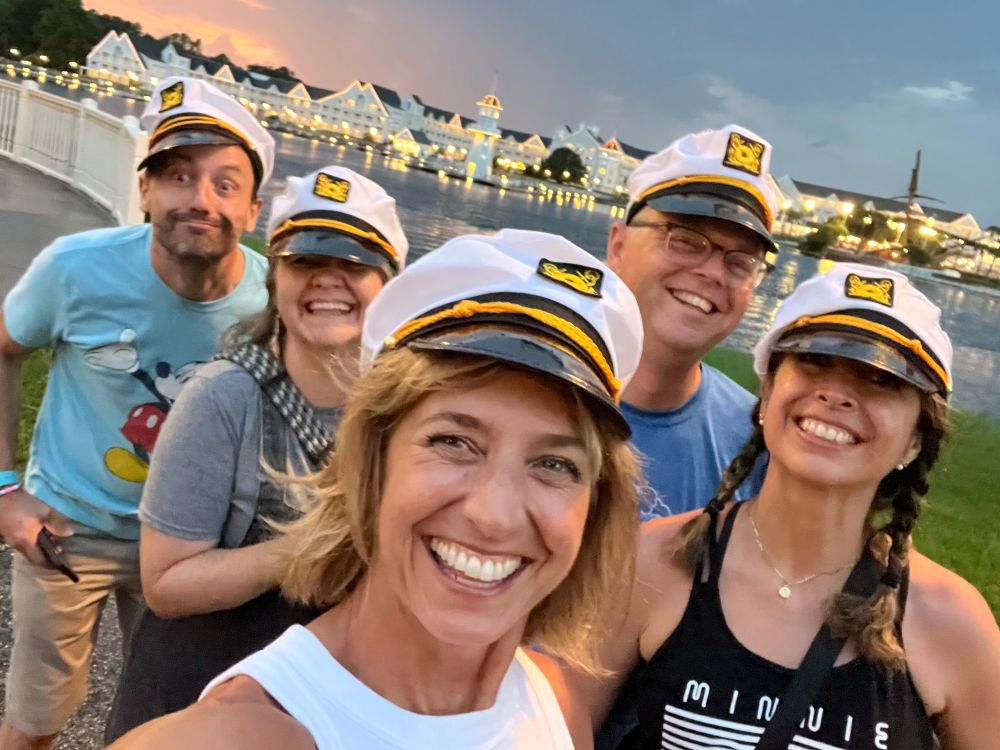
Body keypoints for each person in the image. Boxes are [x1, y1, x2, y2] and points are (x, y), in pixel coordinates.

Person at [108, 228, 645, 749]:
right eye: (454, 442)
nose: (495, 516)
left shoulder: (554, 706)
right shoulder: (240, 735)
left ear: (595, 507)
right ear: (370, 463)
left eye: (555, 463)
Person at [562, 262, 1000, 749]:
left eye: (881, 380)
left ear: (915, 441)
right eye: (815, 361)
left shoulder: (950, 621)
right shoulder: (651, 562)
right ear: (768, 390)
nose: (836, 393)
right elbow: (557, 728)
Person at [0, 76, 274, 750]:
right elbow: (3, 351)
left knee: (172, 723)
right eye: (178, 176)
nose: (199, 200)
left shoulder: (273, 304)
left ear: (253, 211)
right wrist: (5, 489)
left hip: (189, 548)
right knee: (36, 722)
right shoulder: (75, 270)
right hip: (70, 533)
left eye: (223, 184)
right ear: (145, 190)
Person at [102, 165, 409, 741]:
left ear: (389, 286)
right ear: (275, 280)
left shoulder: (401, 415)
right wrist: (312, 546)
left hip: (325, 698)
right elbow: (165, 584)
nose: (328, 280)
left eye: (354, 264)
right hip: (201, 693)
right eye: (307, 261)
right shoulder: (223, 398)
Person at [605, 124, 782, 520]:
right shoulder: (526, 387)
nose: (713, 273)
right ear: (617, 246)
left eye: (741, 262)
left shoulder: (759, 445)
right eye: (685, 240)